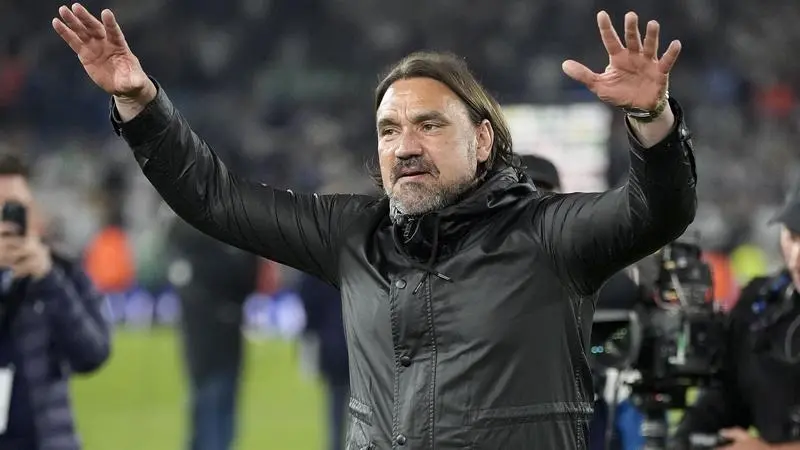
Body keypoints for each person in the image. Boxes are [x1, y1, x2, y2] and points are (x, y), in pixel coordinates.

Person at [53, 5, 697, 448]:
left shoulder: (548, 234)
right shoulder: (353, 236)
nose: (405, 145)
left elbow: (657, 211)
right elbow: (214, 200)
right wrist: (141, 104)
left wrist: (652, 119)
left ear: (482, 140)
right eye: (389, 130)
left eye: (429, 125)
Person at [671, 183, 800, 450]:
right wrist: (686, 439)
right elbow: (726, 398)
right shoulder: (761, 305)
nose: (797, 258)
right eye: (793, 236)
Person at [0, 153, 112, 449]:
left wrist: (48, 279)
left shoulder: (63, 271)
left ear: (32, 212)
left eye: (14, 208)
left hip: (50, 439)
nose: (6, 220)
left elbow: (92, 354)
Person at [164, 216, 260, 450]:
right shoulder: (213, 251)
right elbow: (244, 279)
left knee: (203, 414)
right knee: (217, 419)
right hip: (220, 342)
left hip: (200, 343)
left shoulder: (185, 251)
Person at [297, 272, 350, 450]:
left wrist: (312, 328)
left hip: (332, 342)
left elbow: (308, 297)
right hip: (359, 344)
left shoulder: (323, 265)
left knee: (337, 404)